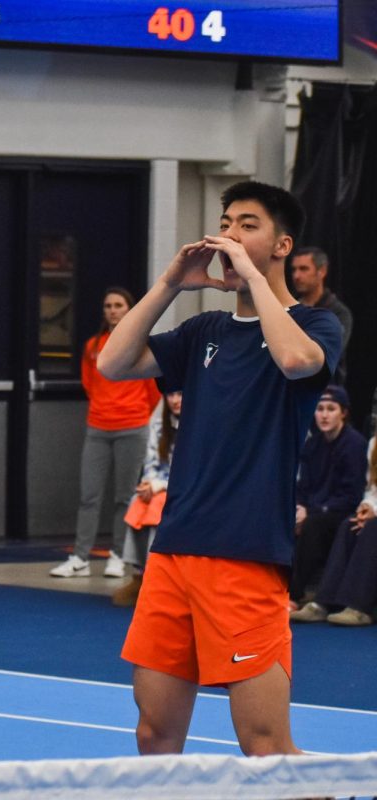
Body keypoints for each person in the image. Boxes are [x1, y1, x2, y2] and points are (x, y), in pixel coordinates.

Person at [98, 181, 342, 757]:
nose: (229, 233)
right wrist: (169, 285)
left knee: (264, 745)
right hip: (173, 553)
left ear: (282, 245)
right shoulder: (204, 332)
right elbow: (114, 362)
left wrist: (253, 281)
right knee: (154, 734)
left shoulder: (316, 325)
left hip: (246, 556)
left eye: (247, 225)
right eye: (226, 222)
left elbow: (296, 360)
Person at [51, 288, 160, 579]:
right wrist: (104, 407)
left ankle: (117, 555)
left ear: (129, 309)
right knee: (90, 494)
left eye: (118, 305)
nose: (112, 310)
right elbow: (90, 383)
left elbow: (152, 389)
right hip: (98, 426)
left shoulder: (140, 343)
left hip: (132, 426)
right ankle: (80, 557)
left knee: (125, 496)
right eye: (108, 305)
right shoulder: (93, 345)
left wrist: (134, 414)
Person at [287, 385, 367, 607]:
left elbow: (350, 494)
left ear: (344, 412)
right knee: (287, 517)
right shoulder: (313, 444)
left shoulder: (354, 444)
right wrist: (299, 508)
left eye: (331, 409)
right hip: (313, 509)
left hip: (339, 511)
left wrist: (309, 512)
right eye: (320, 408)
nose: (324, 414)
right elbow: (302, 486)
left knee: (313, 525)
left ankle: (294, 594)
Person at [291, 435, 377, 625]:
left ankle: (359, 607)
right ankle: (324, 602)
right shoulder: (374, 444)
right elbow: (372, 489)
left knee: (372, 528)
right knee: (349, 525)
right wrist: (367, 506)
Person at [113, 390, 182, 607]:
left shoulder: (199, 426)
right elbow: (152, 461)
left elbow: (192, 473)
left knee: (158, 507)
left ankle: (156, 579)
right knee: (138, 502)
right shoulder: (160, 422)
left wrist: (159, 486)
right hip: (160, 485)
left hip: (185, 490)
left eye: (180, 394)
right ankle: (138, 575)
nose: (175, 400)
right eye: (170, 395)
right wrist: (149, 483)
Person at [290, 246, 352, 382]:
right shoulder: (288, 309)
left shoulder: (338, 313)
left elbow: (330, 352)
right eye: (294, 269)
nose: (297, 276)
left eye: (304, 269)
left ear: (321, 271)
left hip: (324, 393)